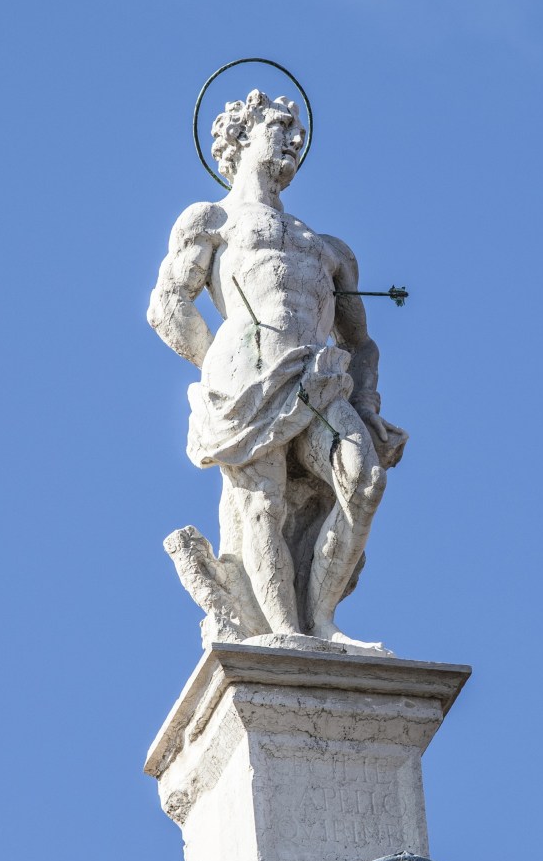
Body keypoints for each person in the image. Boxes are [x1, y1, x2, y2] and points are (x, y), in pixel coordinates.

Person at [148, 89, 405, 647]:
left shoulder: (328, 247)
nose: (293, 142)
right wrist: (219, 364)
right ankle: (287, 633)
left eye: (298, 134)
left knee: (363, 480)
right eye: (281, 128)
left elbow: (362, 343)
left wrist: (365, 403)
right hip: (243, 382)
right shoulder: (210, 220)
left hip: (318, 380)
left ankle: (324, 621)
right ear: (240, 137)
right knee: (261, 502)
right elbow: (167, 307)